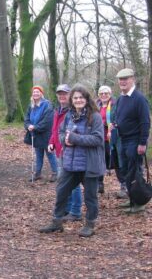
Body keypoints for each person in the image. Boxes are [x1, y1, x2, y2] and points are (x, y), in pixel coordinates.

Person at [39, 84, 105, 237]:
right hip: (71, 162)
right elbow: (61, 132)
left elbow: (98, 138)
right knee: (61, 191)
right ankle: (56, 222)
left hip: (89, 163)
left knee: (90, 196)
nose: (78, 100)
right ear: (71, 100)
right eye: (75, 98)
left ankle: (90, 224)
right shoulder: (69, 115)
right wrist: (64, 140)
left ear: (86, 99)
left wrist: (74, 138)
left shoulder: (94, 116)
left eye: (81, 97)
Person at [114, 68, 151, 213]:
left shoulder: (139, 98)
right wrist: (116, 125)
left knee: (135, 172)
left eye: (126, 79)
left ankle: (139, 203)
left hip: (135, 141)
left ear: (133, 79)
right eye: (120, 79)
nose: (122, 82)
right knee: (126, 171)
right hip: (123, 140)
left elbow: (145, 122)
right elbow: (120, 117)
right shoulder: (121, 98)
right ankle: (132, 199)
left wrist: (142, 143)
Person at [48, 84, 82, 222]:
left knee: (72, 182)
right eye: (60, 93)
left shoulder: (73, 112)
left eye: (65, 93)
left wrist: (65, 146)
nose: (62, 96)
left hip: (69, 152)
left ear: (70, 95)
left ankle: (75, 211)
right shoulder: (58, 110)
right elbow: (55, 129)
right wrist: (51, 142)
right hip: (58, 151)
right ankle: (66, 208)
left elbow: (74, 132)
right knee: (63, 182)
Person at [96, 85, 126, 196]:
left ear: (110, 94)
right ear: (99, 95)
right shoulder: (96, 106)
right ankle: (99, 184)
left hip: (113, 138)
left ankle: (123, 185)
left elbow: (119, 119)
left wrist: (111, 125)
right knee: (99, 161)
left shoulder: (115, 105)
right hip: (99, 138)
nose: (104, 95)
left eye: (106, 93)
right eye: (101, 93)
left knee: (116, 161)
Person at [24, 85, 58, 182]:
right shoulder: (31, 106)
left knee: (50, 154)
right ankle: (38, 173)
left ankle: (55, 173)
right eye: (34, 92)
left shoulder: (47, 105)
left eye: (37, 92)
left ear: (41, 94)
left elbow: (47, 121)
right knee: (38, 155)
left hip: (46, 135)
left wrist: (35, 127)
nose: (35, 93)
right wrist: (28, 126)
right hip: (35, 135)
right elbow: (26, 119)